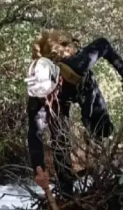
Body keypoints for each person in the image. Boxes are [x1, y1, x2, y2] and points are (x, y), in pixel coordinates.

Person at [25, 35, 123, 196]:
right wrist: (38, 169)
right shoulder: (38, 96)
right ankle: (67, 192)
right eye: (43, 96)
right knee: (59, 142)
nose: (46, 99)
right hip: (61, 102)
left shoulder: (77, 64)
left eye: (48, 94)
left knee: (102, 129)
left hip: (84, 89)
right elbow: (35, 134)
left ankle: (109, 167)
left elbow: (103, 44)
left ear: (58, 81)